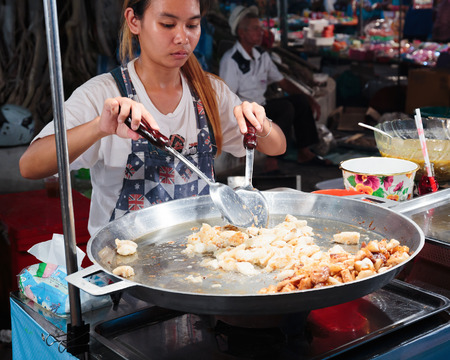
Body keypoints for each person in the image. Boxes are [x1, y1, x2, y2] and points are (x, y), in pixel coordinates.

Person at [19, 0, 286, 236]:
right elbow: (30, 166)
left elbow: (277, 146)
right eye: (168, 24)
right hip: (125, 268)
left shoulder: (210, 92)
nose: (182, 38)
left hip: (201, 259)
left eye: (192, 25)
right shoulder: (102, 94)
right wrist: (98, 127)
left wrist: (261, 124)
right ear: (134, 21)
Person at [219, 5, 330, 171]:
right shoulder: (231, 61)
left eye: (260, 27)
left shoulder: (262, 56)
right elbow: (227, 100)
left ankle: (304, 152)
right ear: (242, 33)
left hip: (261, 109)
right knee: (286, 108)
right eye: (255, 29)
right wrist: (237, 134)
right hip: (246, 115)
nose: (261, 32)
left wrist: (310, 99)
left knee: (299, 100)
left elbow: (283, 82)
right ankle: (272, 162)